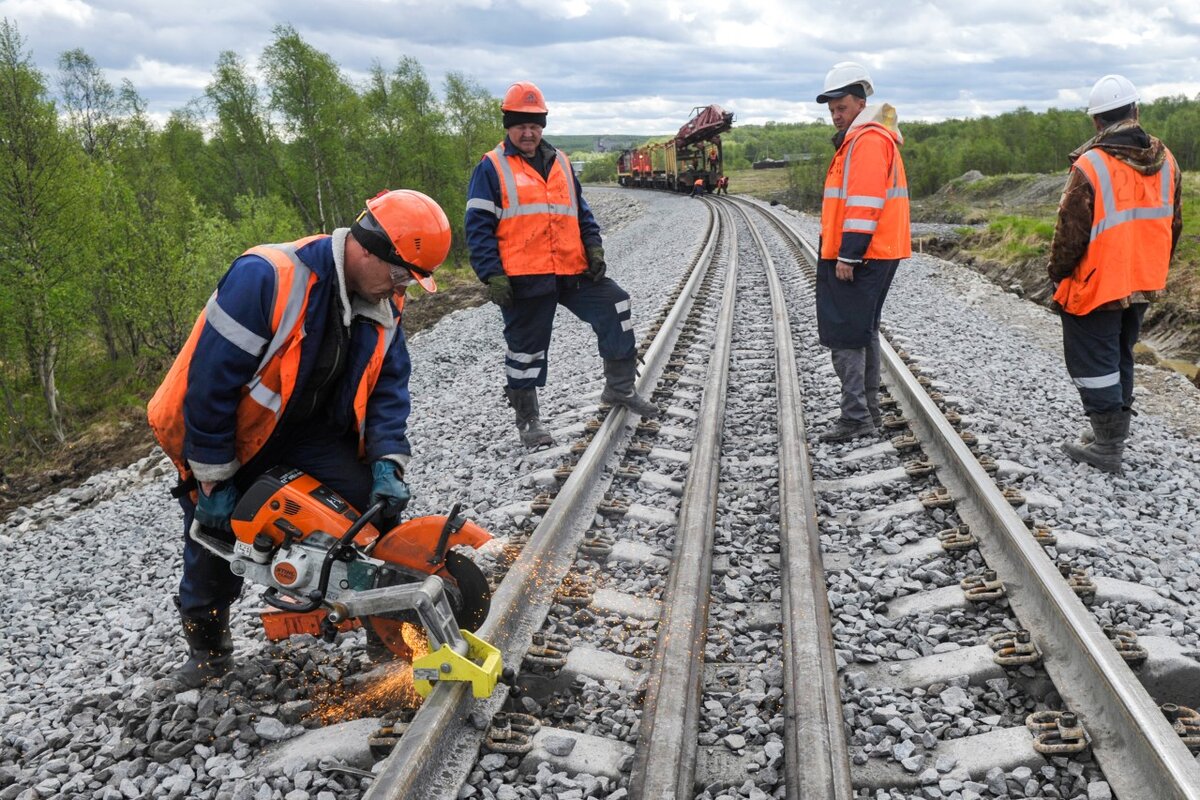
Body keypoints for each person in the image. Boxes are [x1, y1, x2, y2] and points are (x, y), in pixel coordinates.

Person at [147, 189, 452, 688]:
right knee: (213, 541)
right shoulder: (266, 278)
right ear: (369, 248)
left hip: (306, 432)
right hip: (232, 437)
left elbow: (389, 388)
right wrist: (212, 478)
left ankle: (388, 628)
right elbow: (209, 388)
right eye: (401, 274)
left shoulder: (384, 300)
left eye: (409, 281)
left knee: (370, 515)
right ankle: (208, 652)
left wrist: (387, 462)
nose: (402, 288)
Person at [465, 81, 657, 448]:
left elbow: (581, 213)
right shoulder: (491, 168)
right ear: (508, 126)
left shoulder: (562, 163)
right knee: (526, 348)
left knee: (617, 305)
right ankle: (528, 420)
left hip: (572, 270)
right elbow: (477, 227)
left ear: (543, 126)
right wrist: (491, 274)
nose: (528, 131)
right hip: (524, 277)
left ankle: (618, 389)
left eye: (535, 124)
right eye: (521, 124)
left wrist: (594, 250)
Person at [1048, 75, 1181, 474]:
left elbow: (1070, 230)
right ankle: (1109, 432)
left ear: (1096, 122)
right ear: (1135, 112)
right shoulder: (1168, 160)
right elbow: (1173, 224)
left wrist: (1057, 273)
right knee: (1121, 353)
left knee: (1093, 362)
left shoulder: (1092, 163)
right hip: (1143, 279)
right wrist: (1154, 265)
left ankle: (1108, 446)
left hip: (1101, 280)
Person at [814, 61, 911, 442]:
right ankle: (866, 410)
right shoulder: (865, 138)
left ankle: (857, 417)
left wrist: (848, 255)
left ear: (859, 103)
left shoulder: (867, 140)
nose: (836, 116)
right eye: (832, 110)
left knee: (845, 334)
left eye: (841, 108)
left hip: (864, 254)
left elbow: (864, 203)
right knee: (862, 331)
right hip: (876, 250)